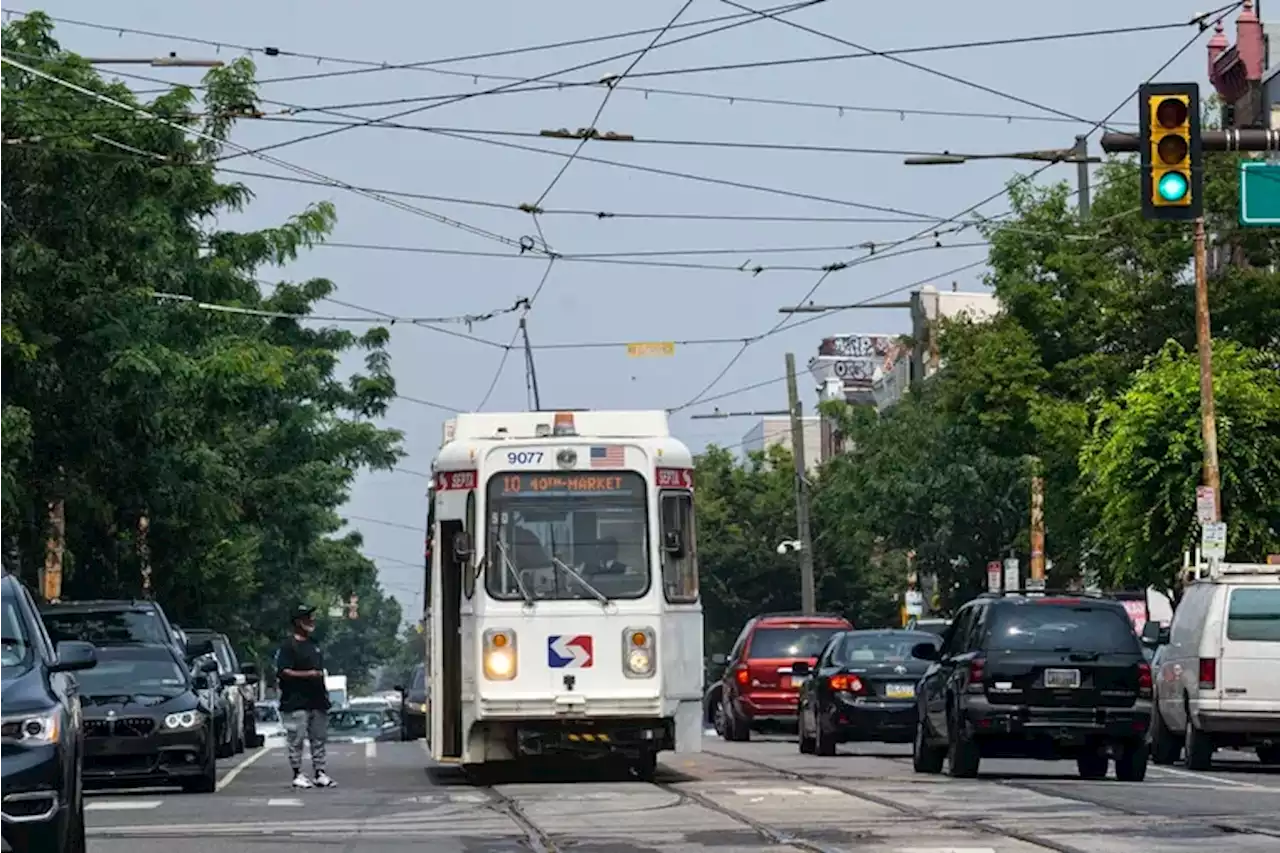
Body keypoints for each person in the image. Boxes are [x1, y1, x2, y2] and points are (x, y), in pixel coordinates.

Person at [275, 604, 335, 789]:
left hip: (317, 700)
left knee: (319, 738)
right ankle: (297, 773)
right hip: (296, 702)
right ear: (298, 622)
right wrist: (308, 674)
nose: (312, 620)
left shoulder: (314, 644)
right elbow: (283, 671)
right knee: (297, 738)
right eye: (308, 617)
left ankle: (320, 772)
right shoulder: (288, 646)